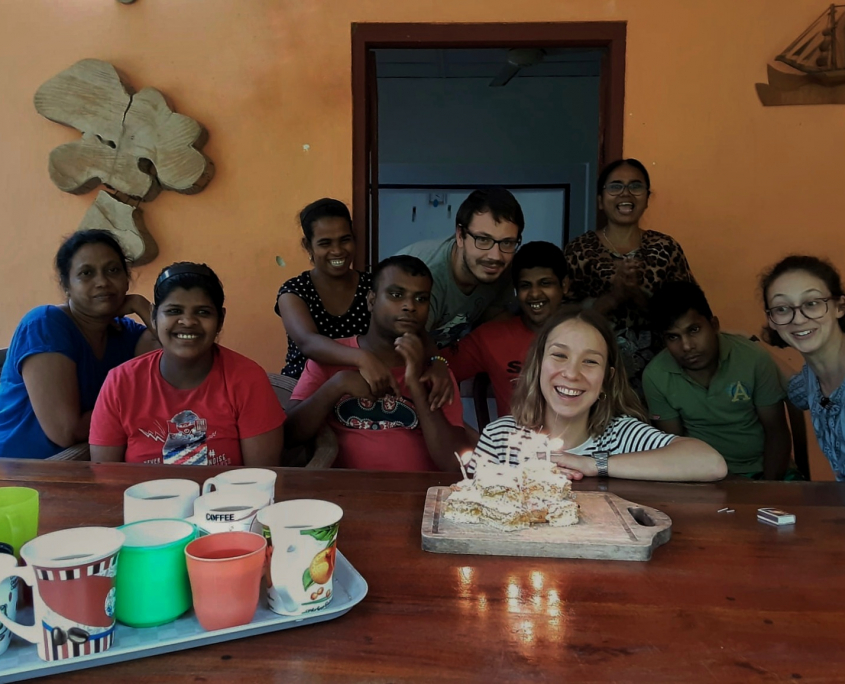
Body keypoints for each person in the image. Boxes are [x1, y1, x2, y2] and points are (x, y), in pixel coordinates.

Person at [468, 306, 727, 482]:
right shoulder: (500, 437)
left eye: (590, 361)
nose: (572, 373)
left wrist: (592, 464)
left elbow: (711, 463)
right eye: (559, 355)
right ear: (538, 365)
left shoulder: (621, 437)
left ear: (606, 379)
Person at [285, 256, 472, 471]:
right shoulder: (331, 357)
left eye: (421, 298)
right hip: (343, 488)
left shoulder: (435, 373)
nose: (410, 306)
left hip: (420, 489)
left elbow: (454, 463)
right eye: (396, 295)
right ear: (371, 300)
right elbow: (289, 435)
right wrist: (337, 385)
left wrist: (416, 386)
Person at [90, 263, 285, 466]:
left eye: (203, 312)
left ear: (220, 320)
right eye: (174, 311)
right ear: (154, 316)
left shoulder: (247, 378)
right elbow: (106, 476)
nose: (188, 321)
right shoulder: (120, 382)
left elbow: (261, 477)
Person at [276, 198, 451, 408]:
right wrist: (362, 358)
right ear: (308, 246)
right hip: (303, 392)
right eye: (325, 243)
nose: (337, 250)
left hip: (368, 387)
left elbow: (416, 330)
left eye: (345, 239)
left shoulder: (373, 285)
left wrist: (438, 362)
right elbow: (308, 342)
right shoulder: (295, 291)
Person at [0, 230, 158, 460]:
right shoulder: (45, 324)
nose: (102, 282)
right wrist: (132, 407)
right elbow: (67, 431)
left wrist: (141, 305)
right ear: (67, 286)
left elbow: (182, 355)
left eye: (113, 270)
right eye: (86, 273)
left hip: (86, 464)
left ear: (126, 279)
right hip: (19, 471)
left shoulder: (126, 334)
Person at [564, 159, 695, 395]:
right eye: (615, 186)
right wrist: (614, 297)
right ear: (600, 200)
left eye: (635, 186)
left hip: (660, 376)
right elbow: (565, 320)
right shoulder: (579, 250)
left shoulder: (666, 248)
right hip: (593, 373)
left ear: (647, 198)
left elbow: (687, 314)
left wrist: (636, 294)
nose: (626, 193)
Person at [643, 281, 791, 479]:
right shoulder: (656, 376)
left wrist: (766, 489)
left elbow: (776, 432)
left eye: (694, 330)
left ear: (714, 325)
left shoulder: (753, 358)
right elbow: (675, 447)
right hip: (702, 478)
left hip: (762, 471)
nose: (686, 346)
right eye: (673, 337)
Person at [443, 241, 568, 418]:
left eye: (545, 283)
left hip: (580, 436)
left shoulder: (588, 336)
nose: (534, 294)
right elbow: (434, 373)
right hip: (514, 436)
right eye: (525, 285)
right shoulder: (491, 337)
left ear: (565, 285)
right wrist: (461, 430)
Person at [397, 187, 523, 348]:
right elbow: (403, 349)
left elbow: (495, 324)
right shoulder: (426, 276)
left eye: (507, 242)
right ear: (460, 235)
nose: (495, 256)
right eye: (483, 239)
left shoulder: (503, 270)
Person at [760, 255, 845, 481]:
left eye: (812, 303)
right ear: (771, 320)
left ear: (839, 307)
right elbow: (796, 391)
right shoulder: (811, 377)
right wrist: (757, 347)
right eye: (782, 308)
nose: (798, 319)